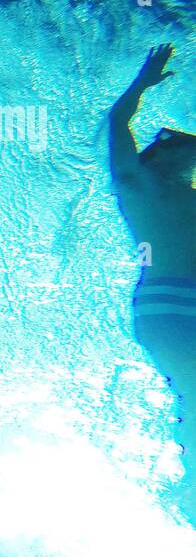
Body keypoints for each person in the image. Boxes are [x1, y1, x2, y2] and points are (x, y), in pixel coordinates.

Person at [108, 44, 196, 481]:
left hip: (170, 308)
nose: (176, 137)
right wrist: (143, 81)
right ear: (153, 157)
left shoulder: (180, 197)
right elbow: (117, 123)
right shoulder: (138, 185)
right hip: (171, 306)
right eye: (164, 138)